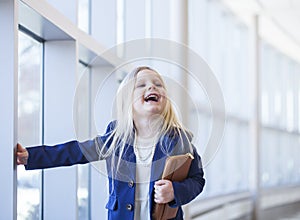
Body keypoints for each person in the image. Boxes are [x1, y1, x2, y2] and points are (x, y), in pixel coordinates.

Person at [17, 66, 205, 220]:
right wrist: (31, 157)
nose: (152, 87)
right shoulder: (116, 138)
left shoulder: (179, 139)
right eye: (141, 85)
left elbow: (197, 180)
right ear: (128, 99)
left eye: (158, 84)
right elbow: (75, 152)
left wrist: (175, 192)